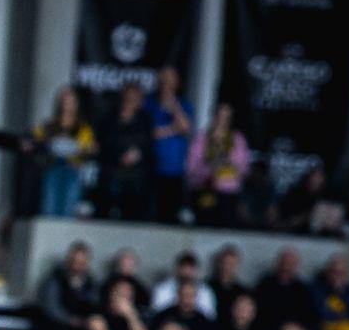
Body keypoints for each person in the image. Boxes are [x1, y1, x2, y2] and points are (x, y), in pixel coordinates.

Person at [32, 86, 95, 218]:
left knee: (68, 207)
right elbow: (35, 139)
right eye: (65, 100)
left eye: (71, 100)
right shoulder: (48, 125)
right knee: (49, 205)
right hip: (52, 167)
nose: (68, 104)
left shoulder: (83, 128)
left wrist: (87, 149)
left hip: (72, 168)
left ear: (76, 103)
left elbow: (87, 148)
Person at [187, 102, 251, 226]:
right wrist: (209, 169)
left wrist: (225, 164)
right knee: (204, 224)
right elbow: (191, 167)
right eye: (219, 116)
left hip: (228, 194)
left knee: (224, 226)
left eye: (226, 117)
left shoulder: (237, 140)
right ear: (214, 117)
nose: (222, 121)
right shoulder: (202, 139)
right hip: (205, 191)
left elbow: (244, 168)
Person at [97, 82, 153, 220]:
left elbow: (149, 145)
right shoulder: (108, 119)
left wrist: (138, 154)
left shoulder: (145, 121)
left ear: (139, 101)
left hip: (136, 178)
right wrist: (119, 157)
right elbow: (102, 145)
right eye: (127, 97)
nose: (130, 101)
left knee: (133, 217)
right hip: (111, 174)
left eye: (134, 98)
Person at [147, 65, 193, 222]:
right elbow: (150, 133)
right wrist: (174, 129)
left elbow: (185, 127)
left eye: (170, 80)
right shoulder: (149, 104)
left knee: (170, 218)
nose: (166, 83)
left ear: (177, 83)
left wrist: (173, 104)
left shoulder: (184, 106)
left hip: (174, 171)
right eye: (164, 79)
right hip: (151, 169)